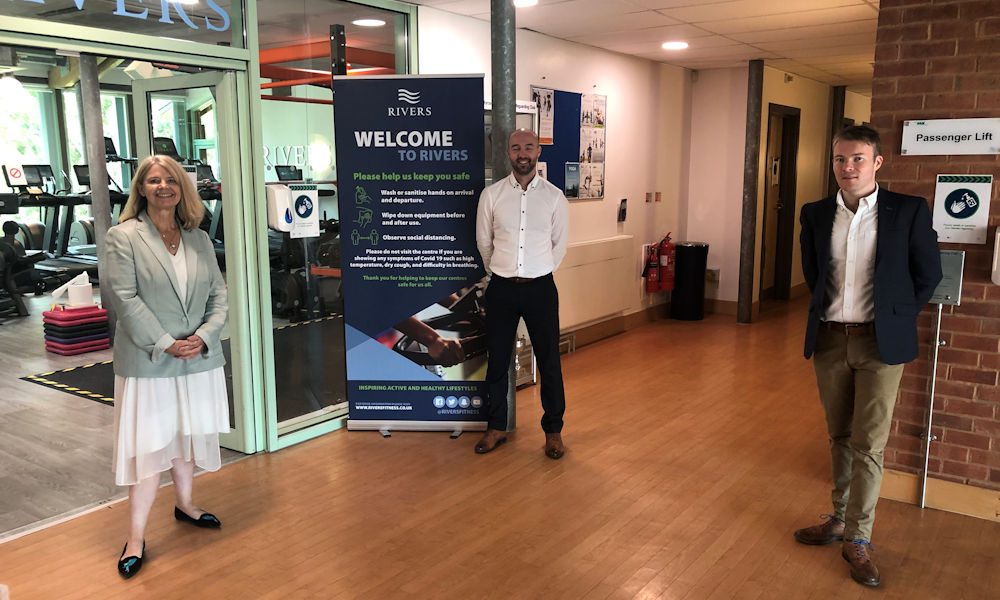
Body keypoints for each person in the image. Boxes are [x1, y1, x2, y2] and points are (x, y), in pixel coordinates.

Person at [795, 125, 942, 588]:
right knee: (838, 434)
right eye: (840, 159)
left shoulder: (908, 211)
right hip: (831, 340)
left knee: (869, 443)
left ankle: (858, 537)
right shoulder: (816, 214)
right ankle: (837, 518)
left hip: (882, 345)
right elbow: (814, 273)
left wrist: (897, 317)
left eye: (858, 158)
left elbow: (927, 273)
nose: (848, 168)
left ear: (877, 162)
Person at [105, 155, 230, 579]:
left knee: (186, 436)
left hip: (196, 356)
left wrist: (207, 336)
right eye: (154, 180)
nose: (163, 186)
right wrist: (166, 343)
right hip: (149, 360)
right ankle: (136, 537)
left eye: (171, 180)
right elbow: (124, 298)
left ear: (182, 188)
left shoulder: (196, 237)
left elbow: (219, 293)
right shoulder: (122, 237)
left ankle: (186, 505)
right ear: (140, 188)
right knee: (148, 449)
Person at [475, 129, 569, 459]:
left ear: (538, 151)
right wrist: (500, 271)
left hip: (541, 288)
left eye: (528, 147)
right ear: (508, 153)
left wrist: (538, 269)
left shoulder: (555, 197)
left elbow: (559, 246)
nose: (522, 153)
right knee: (498, 361)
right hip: (501, 287)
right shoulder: (492, 195)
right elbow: (484, 243)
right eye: (516, 148)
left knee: (549, 361)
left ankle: (554, 432)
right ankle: (496, 427)